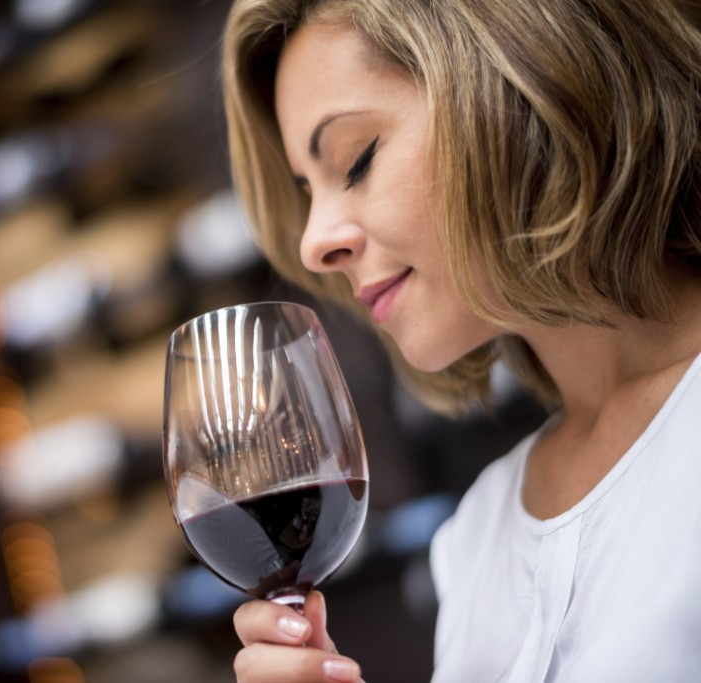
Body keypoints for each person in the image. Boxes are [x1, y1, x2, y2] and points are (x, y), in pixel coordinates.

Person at [219, 0, 701, 681]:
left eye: (356, 160)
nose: (312, 241)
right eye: (307, 192)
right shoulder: (479, 537)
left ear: (520, 75)